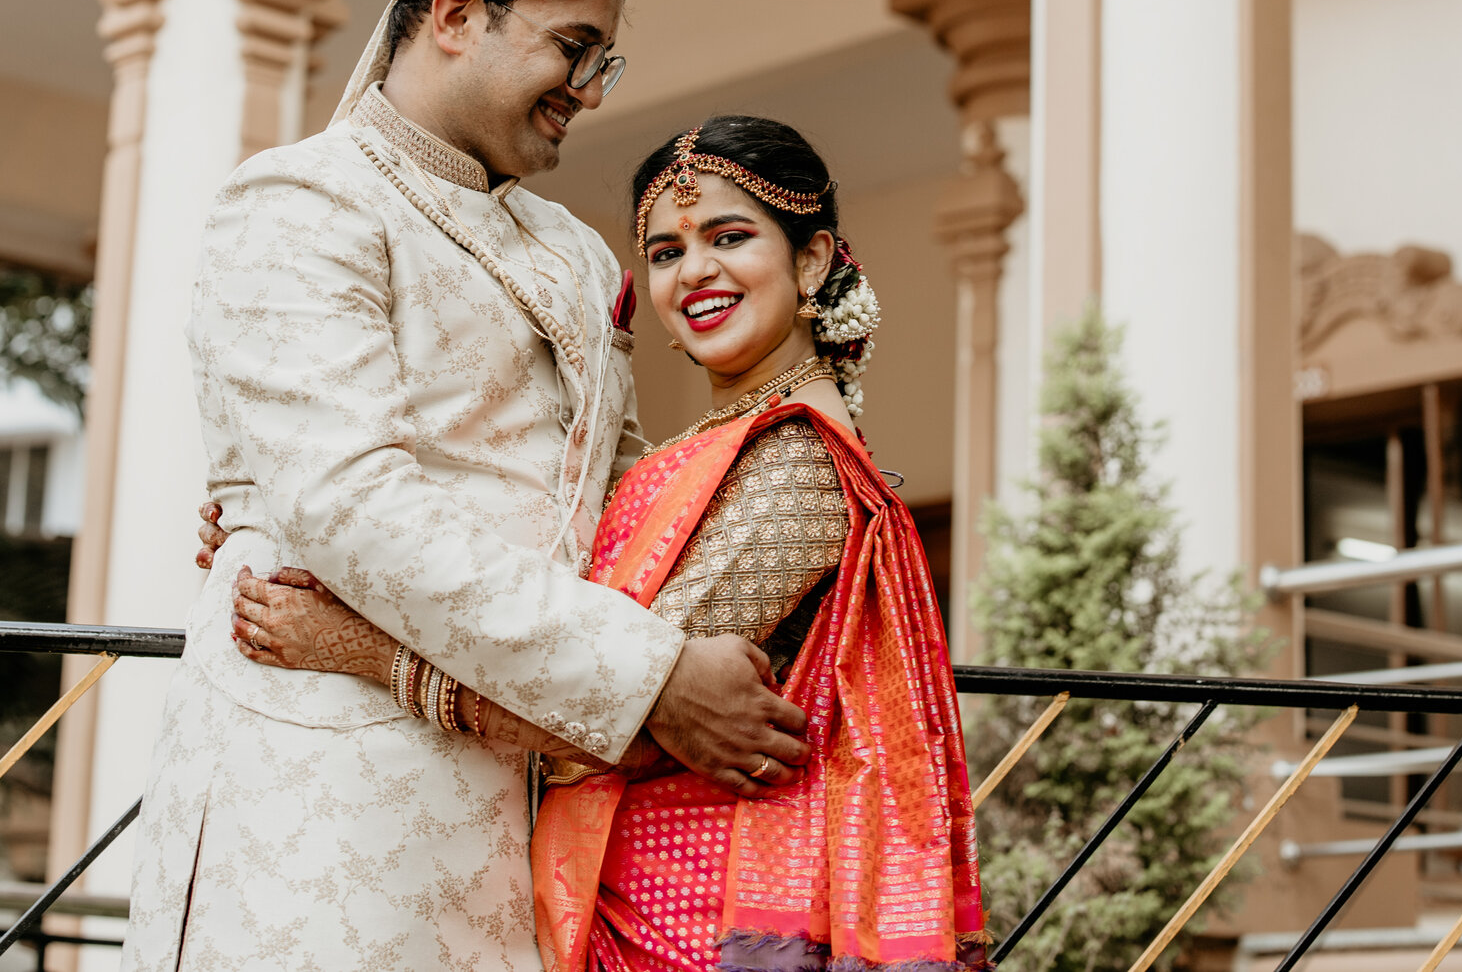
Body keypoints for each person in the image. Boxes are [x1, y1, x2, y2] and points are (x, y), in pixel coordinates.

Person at [124, 0, 812, 972]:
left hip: (535, 803)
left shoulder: (575, 252)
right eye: (572, 46)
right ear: (452, 14)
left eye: (603, 55)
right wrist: (648, 676)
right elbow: (350, 504)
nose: (591, 88)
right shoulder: (302, 201)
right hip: (329, 804)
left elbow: (619, 500)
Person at [218, 116, 987, 972]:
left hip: (688, 926)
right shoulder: (698, 453)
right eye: (666, 251)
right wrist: (287, 516)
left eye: (730, 236)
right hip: (615, 899)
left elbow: (609, 713)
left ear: (811, 260)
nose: (695, 270)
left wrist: (360, 648)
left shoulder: (797, 466)